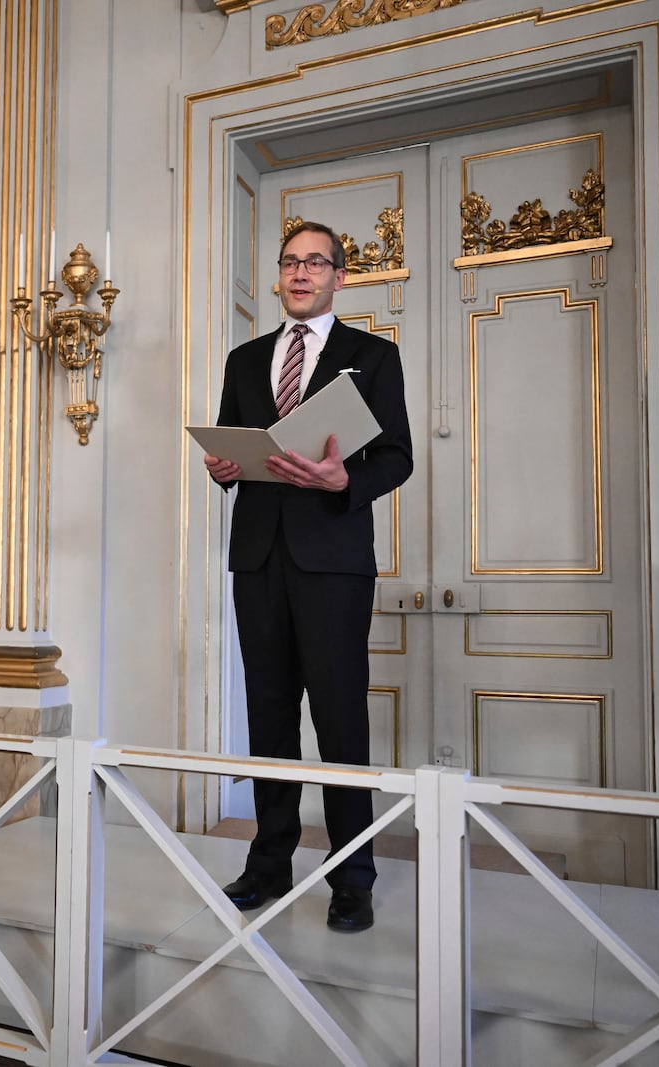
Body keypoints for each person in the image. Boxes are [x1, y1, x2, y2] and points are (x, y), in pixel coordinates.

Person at [203, 218, 412, 931]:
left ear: (339, 277)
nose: (300, 273)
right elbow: (238, 448)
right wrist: (225, 469)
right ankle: (268, 864)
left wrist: (339, 481)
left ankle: (353, 876)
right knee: (269, 719)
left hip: (333, 562)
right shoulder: (244, 358)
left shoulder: (372, 357)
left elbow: (397, 457)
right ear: (278, 274)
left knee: (340, 721)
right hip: (257, 558)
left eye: (316, 262)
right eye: (290, 261)